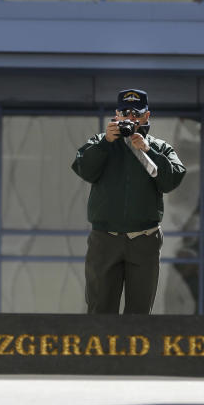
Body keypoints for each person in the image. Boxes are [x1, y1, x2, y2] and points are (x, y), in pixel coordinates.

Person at [71, 89, 186, 314]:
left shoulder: (158, 147)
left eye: (136, 114)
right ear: (116, 114)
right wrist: (106, 142)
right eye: (125, 113)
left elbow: (172, 180)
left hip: (144, 239)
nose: (130, 119)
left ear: (146, 117)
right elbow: (83, 169)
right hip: (105, 239)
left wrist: (147, 149)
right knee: (99, 309)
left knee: (140, 313)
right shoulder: (101, 142)